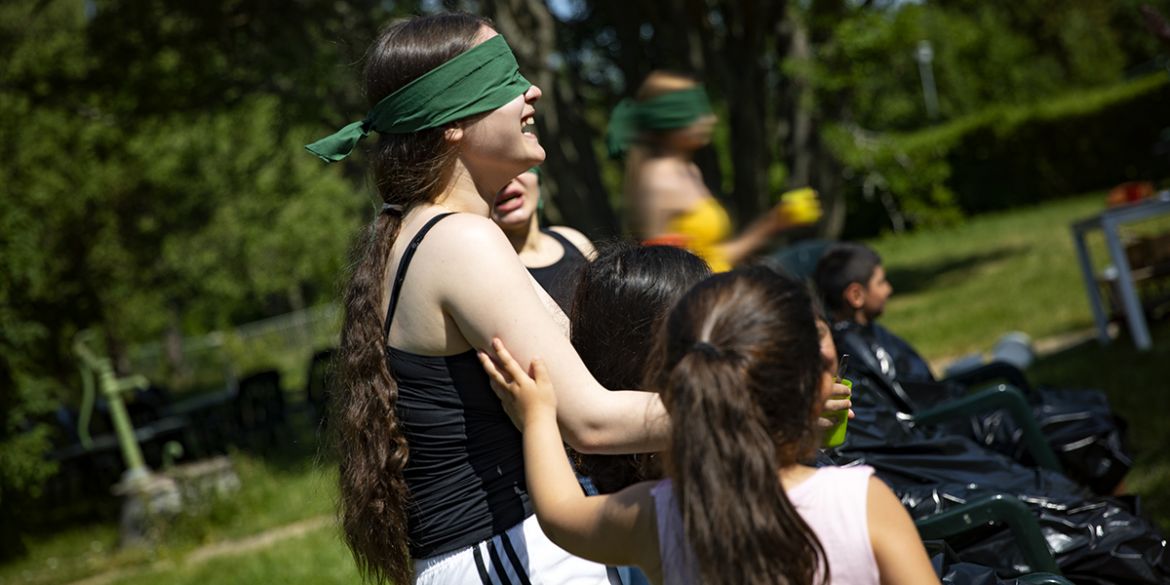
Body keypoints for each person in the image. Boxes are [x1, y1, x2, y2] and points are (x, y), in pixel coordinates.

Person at [307, 14, 669, 584]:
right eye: (502, 78)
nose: (533, 91)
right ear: (450, 123)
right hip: (512, 554)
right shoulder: (459, 239)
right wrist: (763, 412)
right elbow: (590, 422)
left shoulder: (433, 232)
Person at [480, 267, 937, 585]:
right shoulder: (861, 501)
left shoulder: (655, 517)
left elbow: (560, 516)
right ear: (816, 385)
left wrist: (538, 417)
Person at [813, 242, 1133, 494]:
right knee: (1082, 425)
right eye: (881, 282)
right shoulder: (854, 350)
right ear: (856, 294)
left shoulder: (867, 333)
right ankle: (1115, 509)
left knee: (1086, 406)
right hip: (956, 424)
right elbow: (913, 409)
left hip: (960, 412)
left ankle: (1108, 502)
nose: (889, 289)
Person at [608, 70, 821, 272]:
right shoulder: (657, 179)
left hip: (715, 294)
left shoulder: (690, 171)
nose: (710, 119)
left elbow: (714, 257)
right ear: (669, 119)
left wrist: (774, 222)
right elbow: (662, 272)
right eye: (696, 112)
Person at [491, 166, 595, 313]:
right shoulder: (489, 269)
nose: (506, 181)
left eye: (519, 165)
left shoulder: (573, 238)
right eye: (488, 173)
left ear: (538, 179)